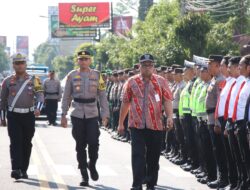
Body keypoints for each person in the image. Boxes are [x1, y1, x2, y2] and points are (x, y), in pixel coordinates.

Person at [118, 53, 173, 190]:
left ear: (153, 67)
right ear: (139, 67)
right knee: (137, 155)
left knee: (153, 157)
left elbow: (167, 100)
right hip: (136, 125)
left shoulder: (161, 82)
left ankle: (150, 183)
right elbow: (125, 103)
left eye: (150, 65)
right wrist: (120, 123)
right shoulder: (131, 82)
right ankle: (137, 184)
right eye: (144, 65)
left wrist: (170, 116)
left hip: (156, 125)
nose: (147, 68)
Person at [61, 50, 109, 187]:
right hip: (76, 114)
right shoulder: (71, 75)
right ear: (77, 60)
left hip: (92, 113)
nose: (83, 61)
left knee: (94, 142)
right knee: (80, 145)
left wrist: (105, 115)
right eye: (81, 59)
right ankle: (84, 174)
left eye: (86, 59)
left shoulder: (97, 75)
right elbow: (66, 96)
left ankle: (91, 164)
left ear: (90, 60)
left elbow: (103, 96)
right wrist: (63, 115)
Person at [0, 53, 44, 180]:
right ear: (13, 65)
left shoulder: (34, 80)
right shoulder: (7, 81)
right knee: (15, 142)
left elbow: (40, 95)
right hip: (13, 116)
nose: (19, 66)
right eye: (17, 63)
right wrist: (2, 117)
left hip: (28, 115)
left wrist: (38, 108)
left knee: (26, 143)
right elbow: (2, 101)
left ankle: (24, 169)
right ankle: (16, 169)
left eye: (22, 63)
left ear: (25, 65)